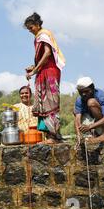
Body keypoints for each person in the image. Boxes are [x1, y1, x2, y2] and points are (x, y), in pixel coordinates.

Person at [24, 13, 66, 144]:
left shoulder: (44, 35)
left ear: (37, 25)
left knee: (50, 102)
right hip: (44, 71)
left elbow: (48, 53)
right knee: (43, 102)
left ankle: (54, 136)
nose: (30, 31)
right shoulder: (38, 37)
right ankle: (50, 135)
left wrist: (35, 70)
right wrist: (34, 67)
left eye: (31, 28)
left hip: (50, 72)